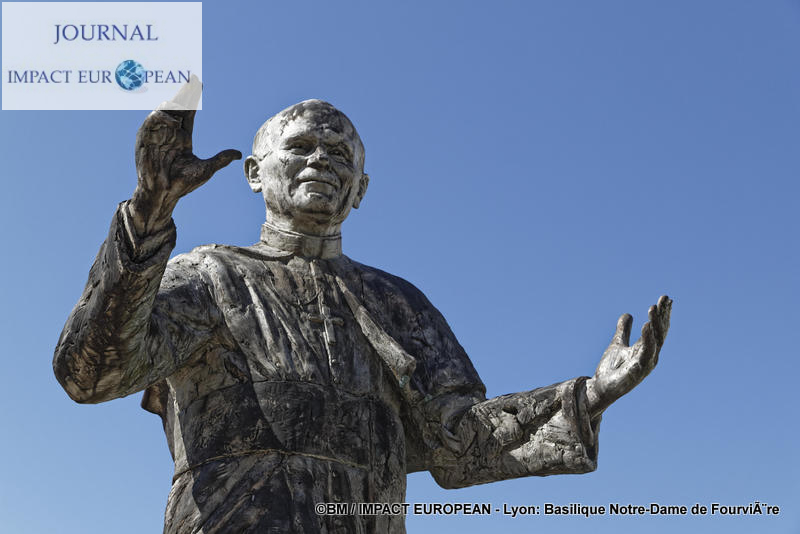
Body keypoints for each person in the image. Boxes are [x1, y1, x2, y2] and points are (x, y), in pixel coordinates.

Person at [54, 85, 671, 534]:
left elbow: (460, 442)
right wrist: (149, 213)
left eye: (339, 153)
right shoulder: (210, 275)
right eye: (300, 146)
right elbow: (91, 373)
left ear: (361, 190)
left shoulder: (399, 305)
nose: (322, 160)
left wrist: (593, 394)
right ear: (253, 173)